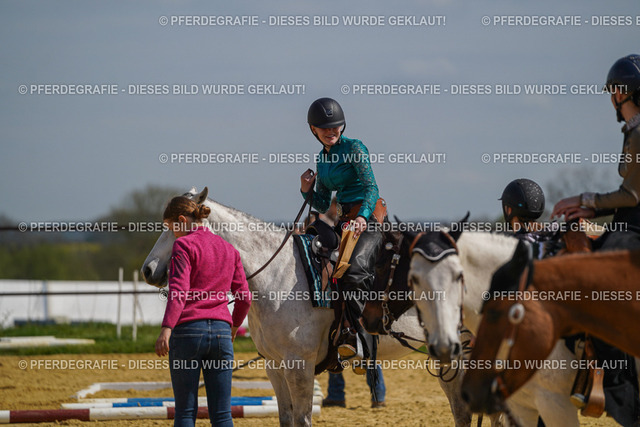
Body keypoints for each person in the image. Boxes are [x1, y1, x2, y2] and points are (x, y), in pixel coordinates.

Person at [551, 54, 640, 426]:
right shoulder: (633, 130)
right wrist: (590, 208)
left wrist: (585, 200)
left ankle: (614, 384)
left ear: (624, 92)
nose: (611, 99)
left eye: (613, 92)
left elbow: (633, 195)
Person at [300, 97, 384, 367]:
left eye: (335, 126)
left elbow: (372, 188)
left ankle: (362, 341)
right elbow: (323, 203)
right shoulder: (321, 159)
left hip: (367, 218)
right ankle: (334, 334)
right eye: (325, 128)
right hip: (344, 221)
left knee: (355, 271)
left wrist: (362, 216)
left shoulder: (355, 148)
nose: (331, 131)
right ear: (313, 129)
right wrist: (306, 190)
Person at [155, 196, 252, 427]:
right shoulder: (229, 249)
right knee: (222, 414)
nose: (173, 235)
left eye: (171, 228)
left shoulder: (183, 245)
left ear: (182, 220)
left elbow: (179, 292)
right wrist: (234, 326)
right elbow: (245, 297)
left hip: (188, 333)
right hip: (221, 334)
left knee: (185, 412)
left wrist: (166, 328)